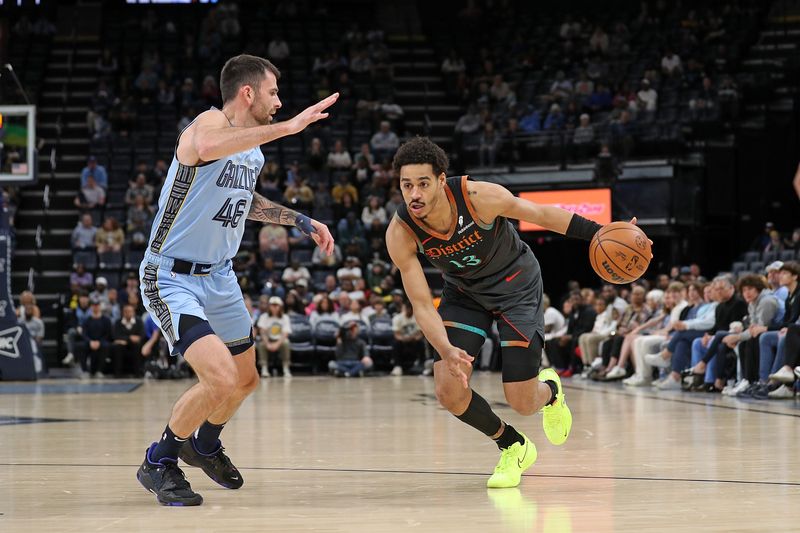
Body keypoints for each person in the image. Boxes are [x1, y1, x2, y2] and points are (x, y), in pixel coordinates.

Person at [386, 137, 645, 488]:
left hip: (517, 287)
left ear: (441, 180)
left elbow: (540, 214)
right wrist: (447, 351)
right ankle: (512, 444)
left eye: (422, 183)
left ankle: (551, 391)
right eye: (406, 185)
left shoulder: (478, 197)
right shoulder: (401, 232)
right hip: (465, 295)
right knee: (448, 390)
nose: (414, 193)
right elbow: (420, 304)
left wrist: (602, 232)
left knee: (522, 402)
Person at [136, 54, 337, 506]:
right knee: (221, 378)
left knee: (246, 381)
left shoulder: (252, 149)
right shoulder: (206, 126)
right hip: (171, 275)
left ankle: (202, 444)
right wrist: (289, 128)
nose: (280, 103)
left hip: (220, 278)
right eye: (273, 93)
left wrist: (300, 219)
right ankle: (158, 461)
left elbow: (243, 199)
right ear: (247, 93)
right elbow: (206, 148)